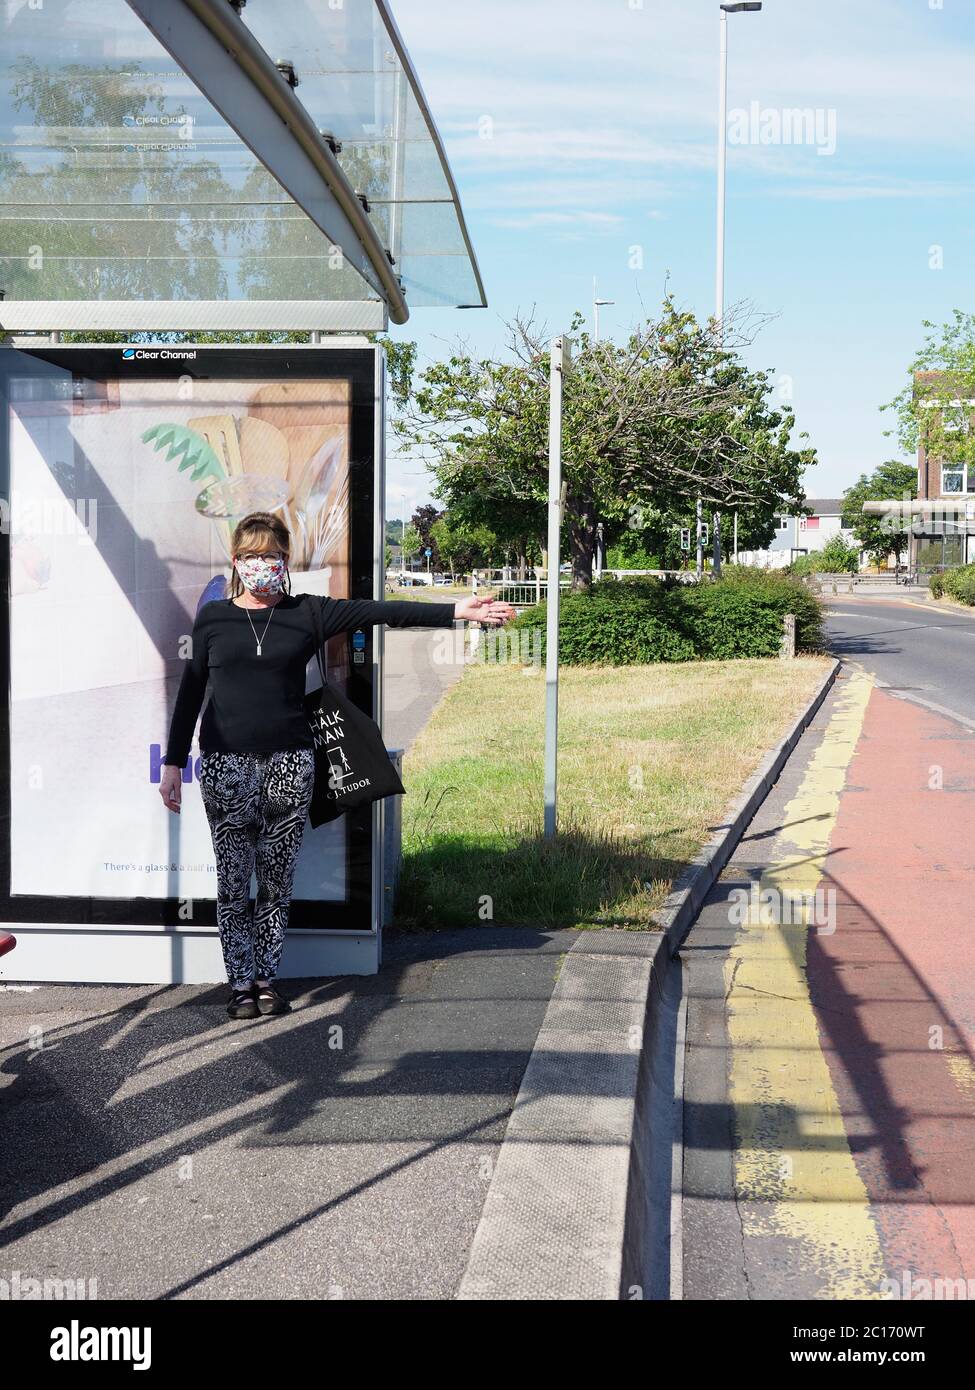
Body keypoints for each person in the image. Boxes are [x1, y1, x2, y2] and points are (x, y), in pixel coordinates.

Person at [159, 511, 513, 1020]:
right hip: (224, 767)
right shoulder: (213, 618)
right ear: (236, 561)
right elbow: (192, 690)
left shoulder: (308, 612)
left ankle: (265, 980)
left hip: (290, 765)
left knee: (276, 881)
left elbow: (380, 611)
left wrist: (458, 610)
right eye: (253, 556)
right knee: (233, 883)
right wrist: (173, 762)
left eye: (272, 556)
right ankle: (238, 984)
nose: (262, 565)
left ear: (286, 560)